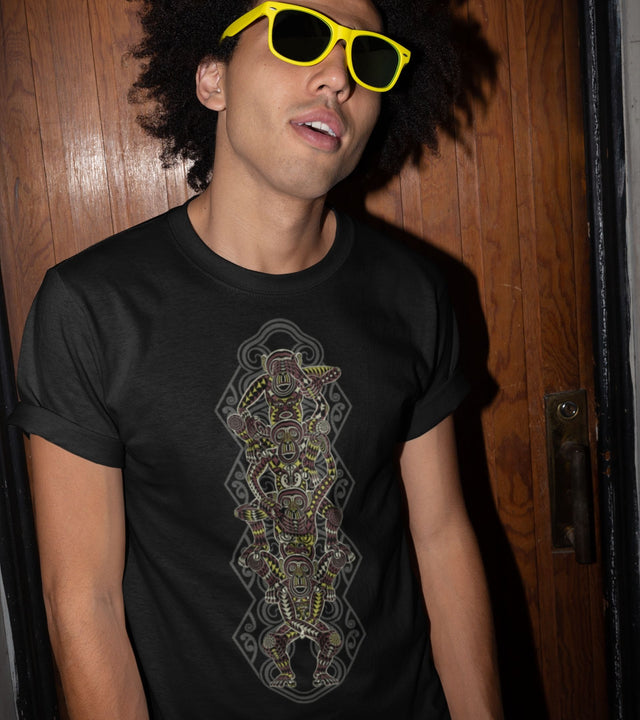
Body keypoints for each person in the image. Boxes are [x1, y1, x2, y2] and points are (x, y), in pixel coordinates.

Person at [10, 1, 503, 718]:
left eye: (368, 58)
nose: (338, 77)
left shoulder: (412, 292)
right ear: (213, 79)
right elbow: (83, 598)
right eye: (301, 35)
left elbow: (441, 537)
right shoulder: (93, 308)